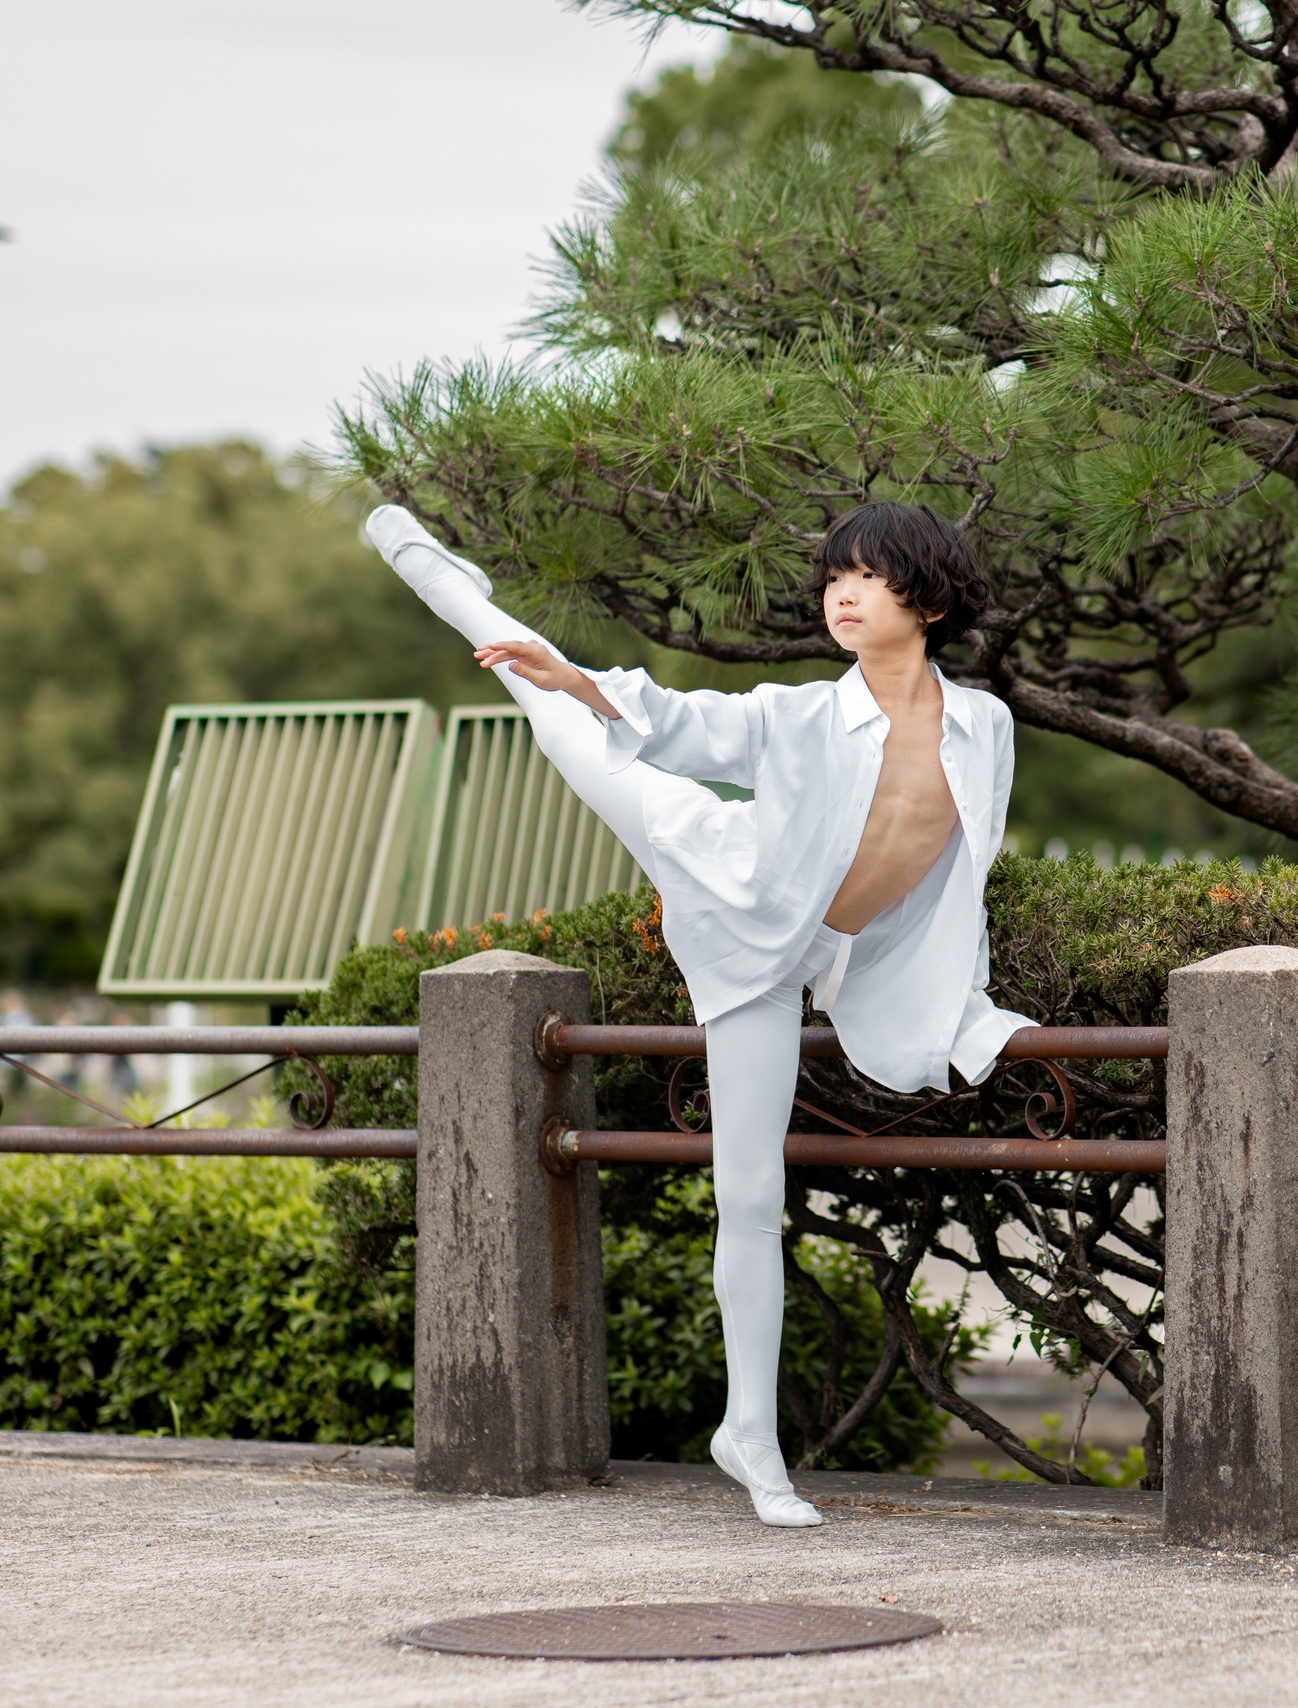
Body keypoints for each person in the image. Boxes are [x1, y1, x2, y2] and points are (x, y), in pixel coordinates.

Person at [366, 500, 1035, 1528]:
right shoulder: (804, 714)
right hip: (731, 905)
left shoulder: (985, 725)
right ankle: (436, 573)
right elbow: (683, 720)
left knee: (752, 1193)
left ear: (930, 597)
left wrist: (968, 1007)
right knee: (560, 718)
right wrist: (579, 680)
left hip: (824, 951)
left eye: (868, 576)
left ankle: (746, 1434)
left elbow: (962, 880)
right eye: (832, 578)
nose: (841, 595)